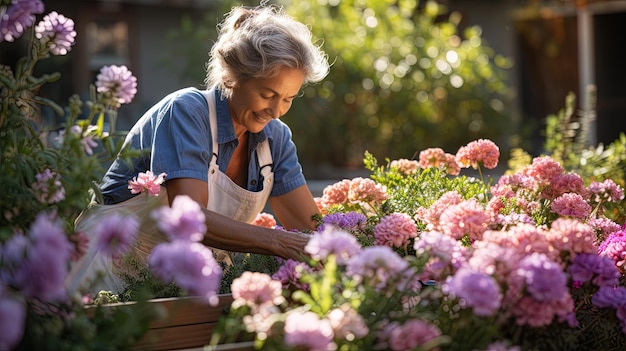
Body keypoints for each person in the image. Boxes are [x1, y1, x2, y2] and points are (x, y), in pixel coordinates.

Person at [66, 3, 330, 294]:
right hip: (105, 269)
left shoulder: (275, 139)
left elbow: (311, 228)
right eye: (267, 94)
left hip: (169, 286)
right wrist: (278, 242)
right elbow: (190, 217)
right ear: (233, 77)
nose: (277, 111)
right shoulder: (187, 112)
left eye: (288, 98)